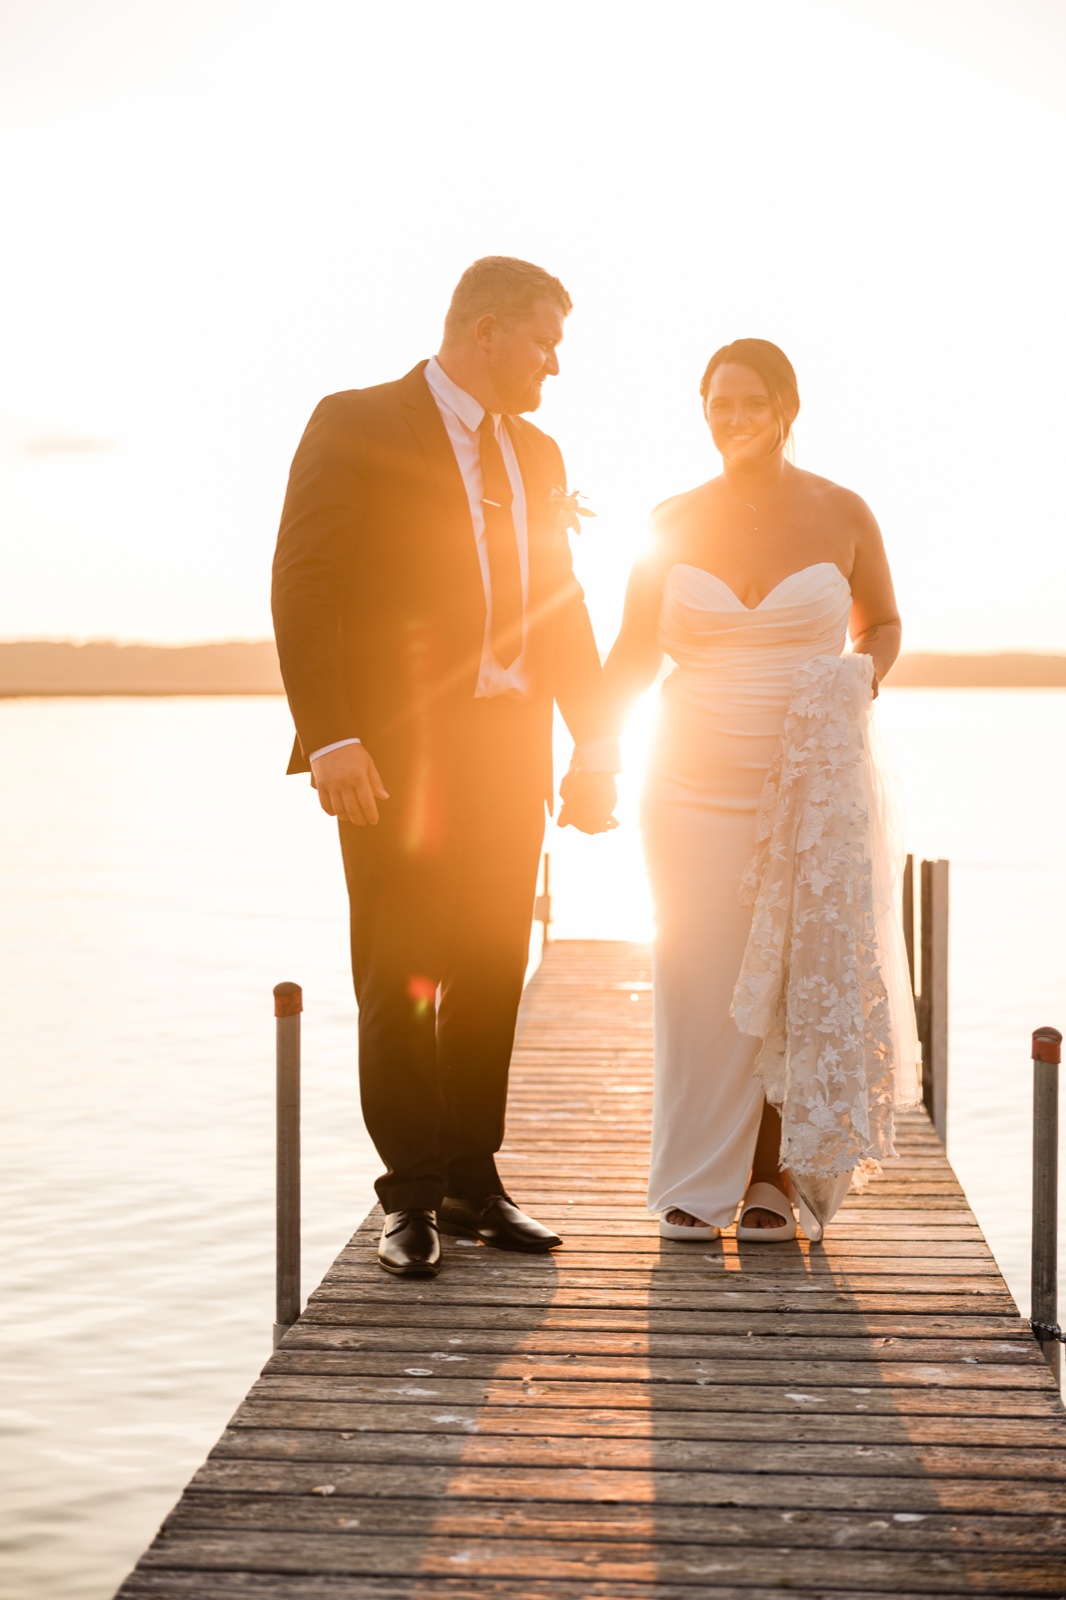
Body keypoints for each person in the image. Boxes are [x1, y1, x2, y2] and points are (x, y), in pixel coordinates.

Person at [272, 257, 618, 1278]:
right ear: (486, 333)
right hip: (394, 751)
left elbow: (562, 603)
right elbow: (305, 582)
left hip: (509, 748)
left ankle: (473, 1176)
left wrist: (595, 743)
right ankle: (410, 1196)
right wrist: (330, 734)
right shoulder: (355, 422)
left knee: (488, 964)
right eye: (544, 342)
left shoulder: (541, 454)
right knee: (399, 971)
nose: (554, 364)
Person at [604, 338, 906, 1242]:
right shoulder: (668, 519)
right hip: (687, 779)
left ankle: (772, 1176)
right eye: (716, 404)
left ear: (786, 408)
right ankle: (697, 1176)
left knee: (790, 974)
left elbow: (883, 623)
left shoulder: (843, 510)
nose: (731, 420)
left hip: (807, 781)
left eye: (748, 403)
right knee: (697, 974)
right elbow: (629, 651)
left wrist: (861, 678)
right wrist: (588, 748)